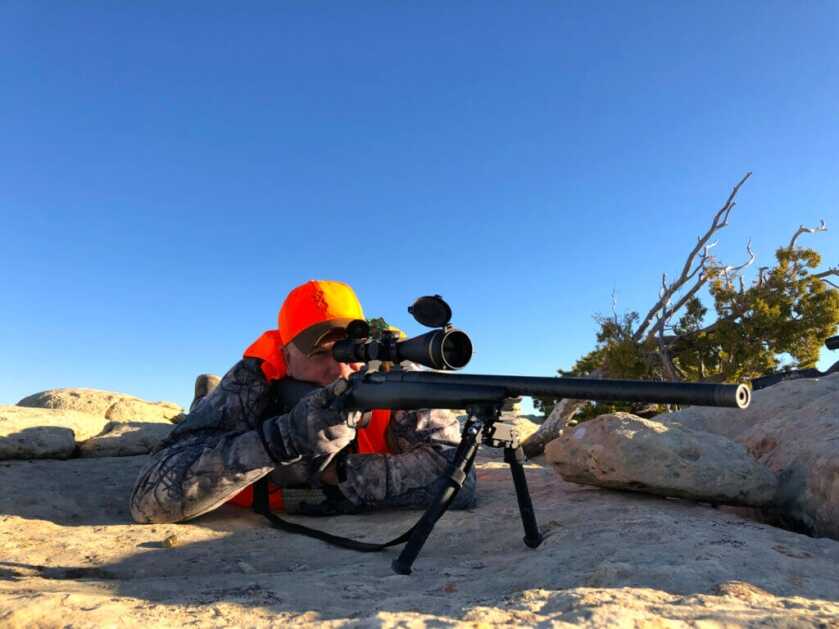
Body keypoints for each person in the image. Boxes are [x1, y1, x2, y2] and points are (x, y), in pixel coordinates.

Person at [129, 279, 476, 524]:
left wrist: (335, 477)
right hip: (237, 418)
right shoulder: (253, 378)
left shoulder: (392, 370)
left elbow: (460, 480)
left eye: (351, 349)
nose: (342, 368)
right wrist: (283, 440)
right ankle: (206, 397)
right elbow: (149, 502)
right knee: (212, 415)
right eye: (323, 352)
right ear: (286, 354)